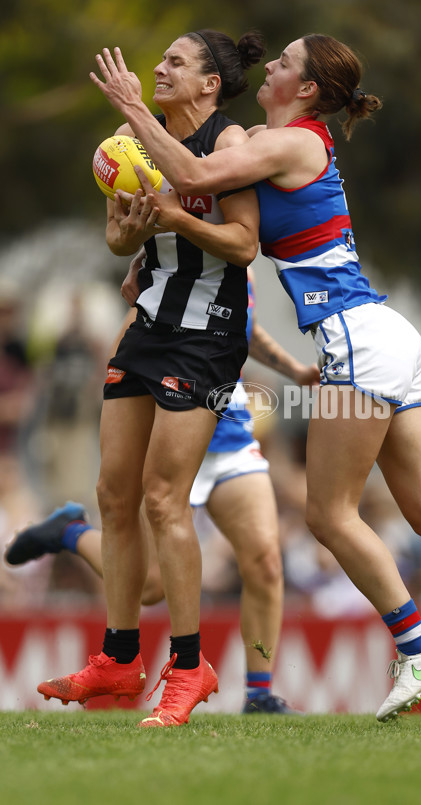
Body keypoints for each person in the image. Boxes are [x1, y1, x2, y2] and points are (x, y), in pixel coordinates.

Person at [90, 34, 421, 722]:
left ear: (309, 90)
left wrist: (131, 111)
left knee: (328, 513)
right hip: (389, 335)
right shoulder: (271, 137)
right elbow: (200, 181)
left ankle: (417, 644)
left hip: (357, 338)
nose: (271, 67)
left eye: (286, 63)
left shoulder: (296, 140)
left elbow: (200, 178)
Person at [34, 28, 267, 729]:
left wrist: (170, 215)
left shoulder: (228, 147)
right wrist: (135, 228)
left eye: (175, 63)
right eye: (159, 59)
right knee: (114, 493)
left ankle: (190, 668)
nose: (159, 69)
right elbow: (116, 239)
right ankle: (118, 656)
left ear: (209, 84)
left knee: (166, 497)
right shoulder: (128, 142)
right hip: (148, 326)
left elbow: (245, 244)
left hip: (207, 337)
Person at [6, 264, 319, 713]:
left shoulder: (236, 266)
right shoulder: (172, 270)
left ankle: (259, 694)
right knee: (150, 587)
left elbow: (247, 330)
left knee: (266, 563)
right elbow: (130, 347)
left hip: (230, 440)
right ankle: (70, 533)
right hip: (171, 443)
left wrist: (292, 368)